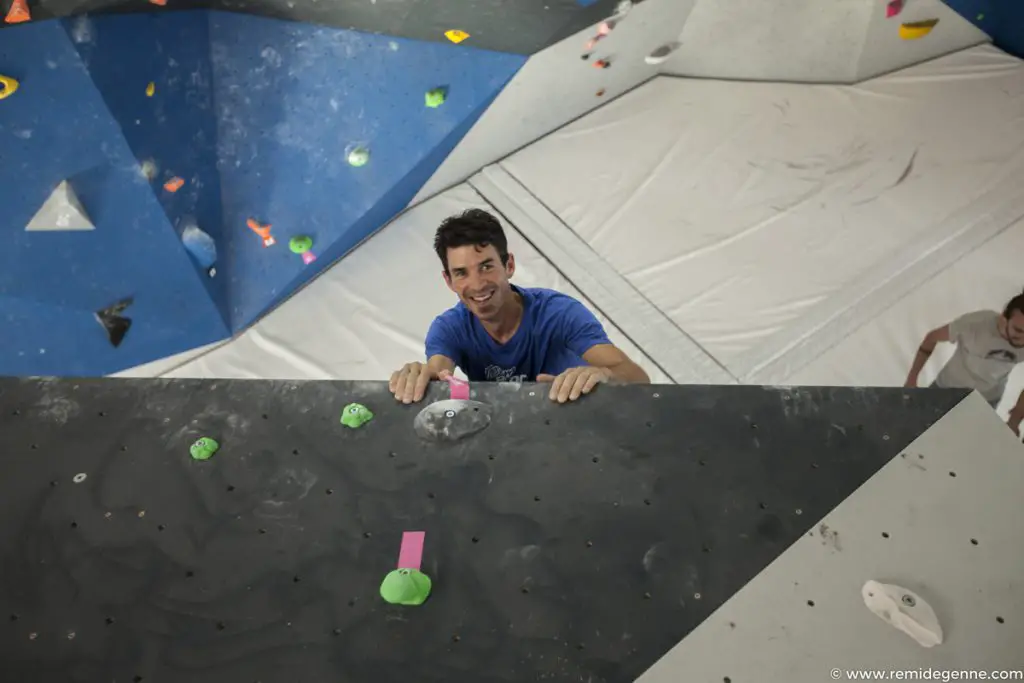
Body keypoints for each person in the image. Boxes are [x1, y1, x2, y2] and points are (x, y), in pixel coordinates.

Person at [389, 208, 650, 404]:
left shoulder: (560, 313)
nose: (477, 284)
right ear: (448, 280)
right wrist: (419, 377)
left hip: (570, 418)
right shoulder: (448, 328)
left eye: (486, 267)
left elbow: (637, 378)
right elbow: (438, 373)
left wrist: (602, 374)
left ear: (509, 265)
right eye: (461, 273)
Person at [905, 289, 1024, 435]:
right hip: (946, 390)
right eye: (1018, 330)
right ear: (1003, 319)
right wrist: (912, 378)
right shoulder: (975, 324)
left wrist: (1014, 421)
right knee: (914, 432)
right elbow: (932, 337)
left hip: (985, 401)